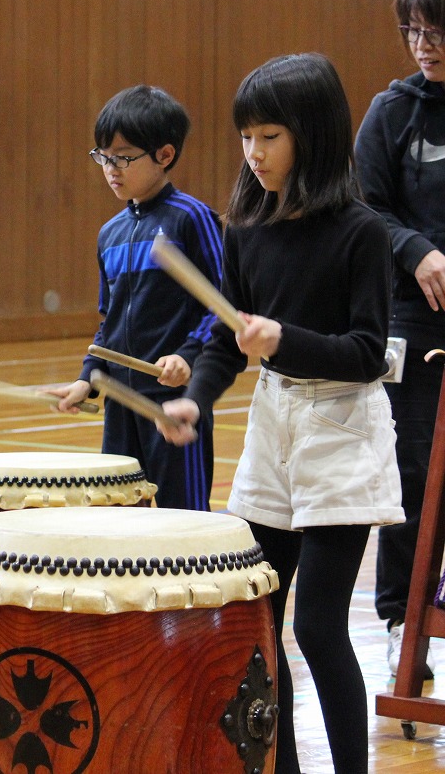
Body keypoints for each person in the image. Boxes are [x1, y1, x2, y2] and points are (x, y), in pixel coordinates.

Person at [158, 53, 403, 774]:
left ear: (313, 135)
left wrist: (284, 339)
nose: (253, 153)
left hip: (341, 430)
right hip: (273, 429)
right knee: (259, 620)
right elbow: (226, 343)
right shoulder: (247, 227)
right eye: (245, 137)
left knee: (320, 628)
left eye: (269, 136)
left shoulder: (362, 231)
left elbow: (366, 352)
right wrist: (195, 398)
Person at [45, 86, 221, 510]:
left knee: (184, 522)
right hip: (121, 406)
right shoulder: (110, 234)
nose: (111, 169)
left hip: (173, 401)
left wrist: (189, 355)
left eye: (123, 158)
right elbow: (109, 322)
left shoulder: (191, 219)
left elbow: (222, 304)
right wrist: (88, 377)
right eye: (103, 157)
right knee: (120, 519)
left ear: (165, 155)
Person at [356, 0, 445, 677]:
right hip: (413, 320)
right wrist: (417, 252)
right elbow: (367, 210)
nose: (423, 45)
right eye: (413, 31)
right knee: (411, 472)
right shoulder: (392, 112)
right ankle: (401, 623)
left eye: (436, 31)